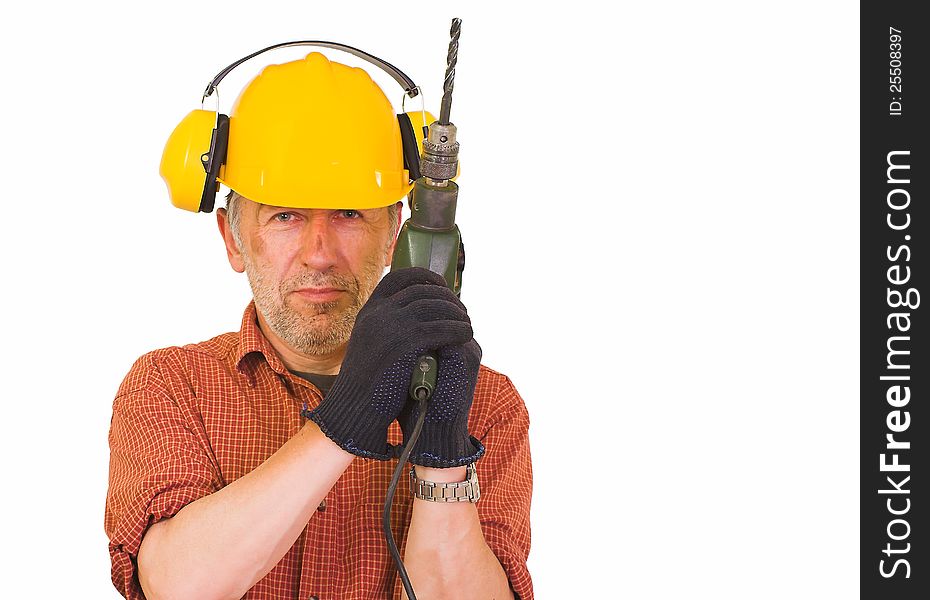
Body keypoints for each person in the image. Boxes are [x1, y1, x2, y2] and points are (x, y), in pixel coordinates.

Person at [104, 51, 533, 600]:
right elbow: (180, 586)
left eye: (350, 213)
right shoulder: (171, 386)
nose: (320, 254)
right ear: (233, 239)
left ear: (395, 233)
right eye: (285, 216)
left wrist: (443, 456)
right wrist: (346, 418)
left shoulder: (485, 404)